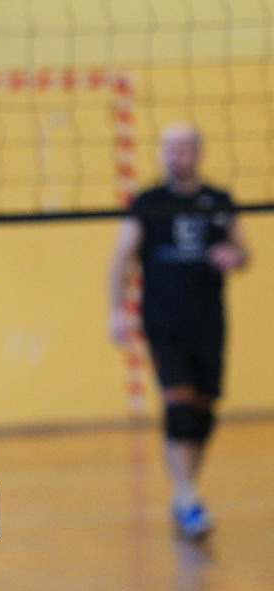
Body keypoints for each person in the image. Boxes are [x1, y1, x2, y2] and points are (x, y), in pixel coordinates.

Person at [108, 122, 248, 541]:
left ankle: (186, 492)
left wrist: (234, 255)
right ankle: (187, 498)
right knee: (180, 408)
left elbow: (244, 251)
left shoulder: (218, 200)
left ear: (198, 153)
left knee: (204, 411)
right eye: (168, 147)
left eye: (183, 147)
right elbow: (121, 258)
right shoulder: (148, 202)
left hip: (209, 319)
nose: (175, 154)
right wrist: (117, 311)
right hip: (163, 320)